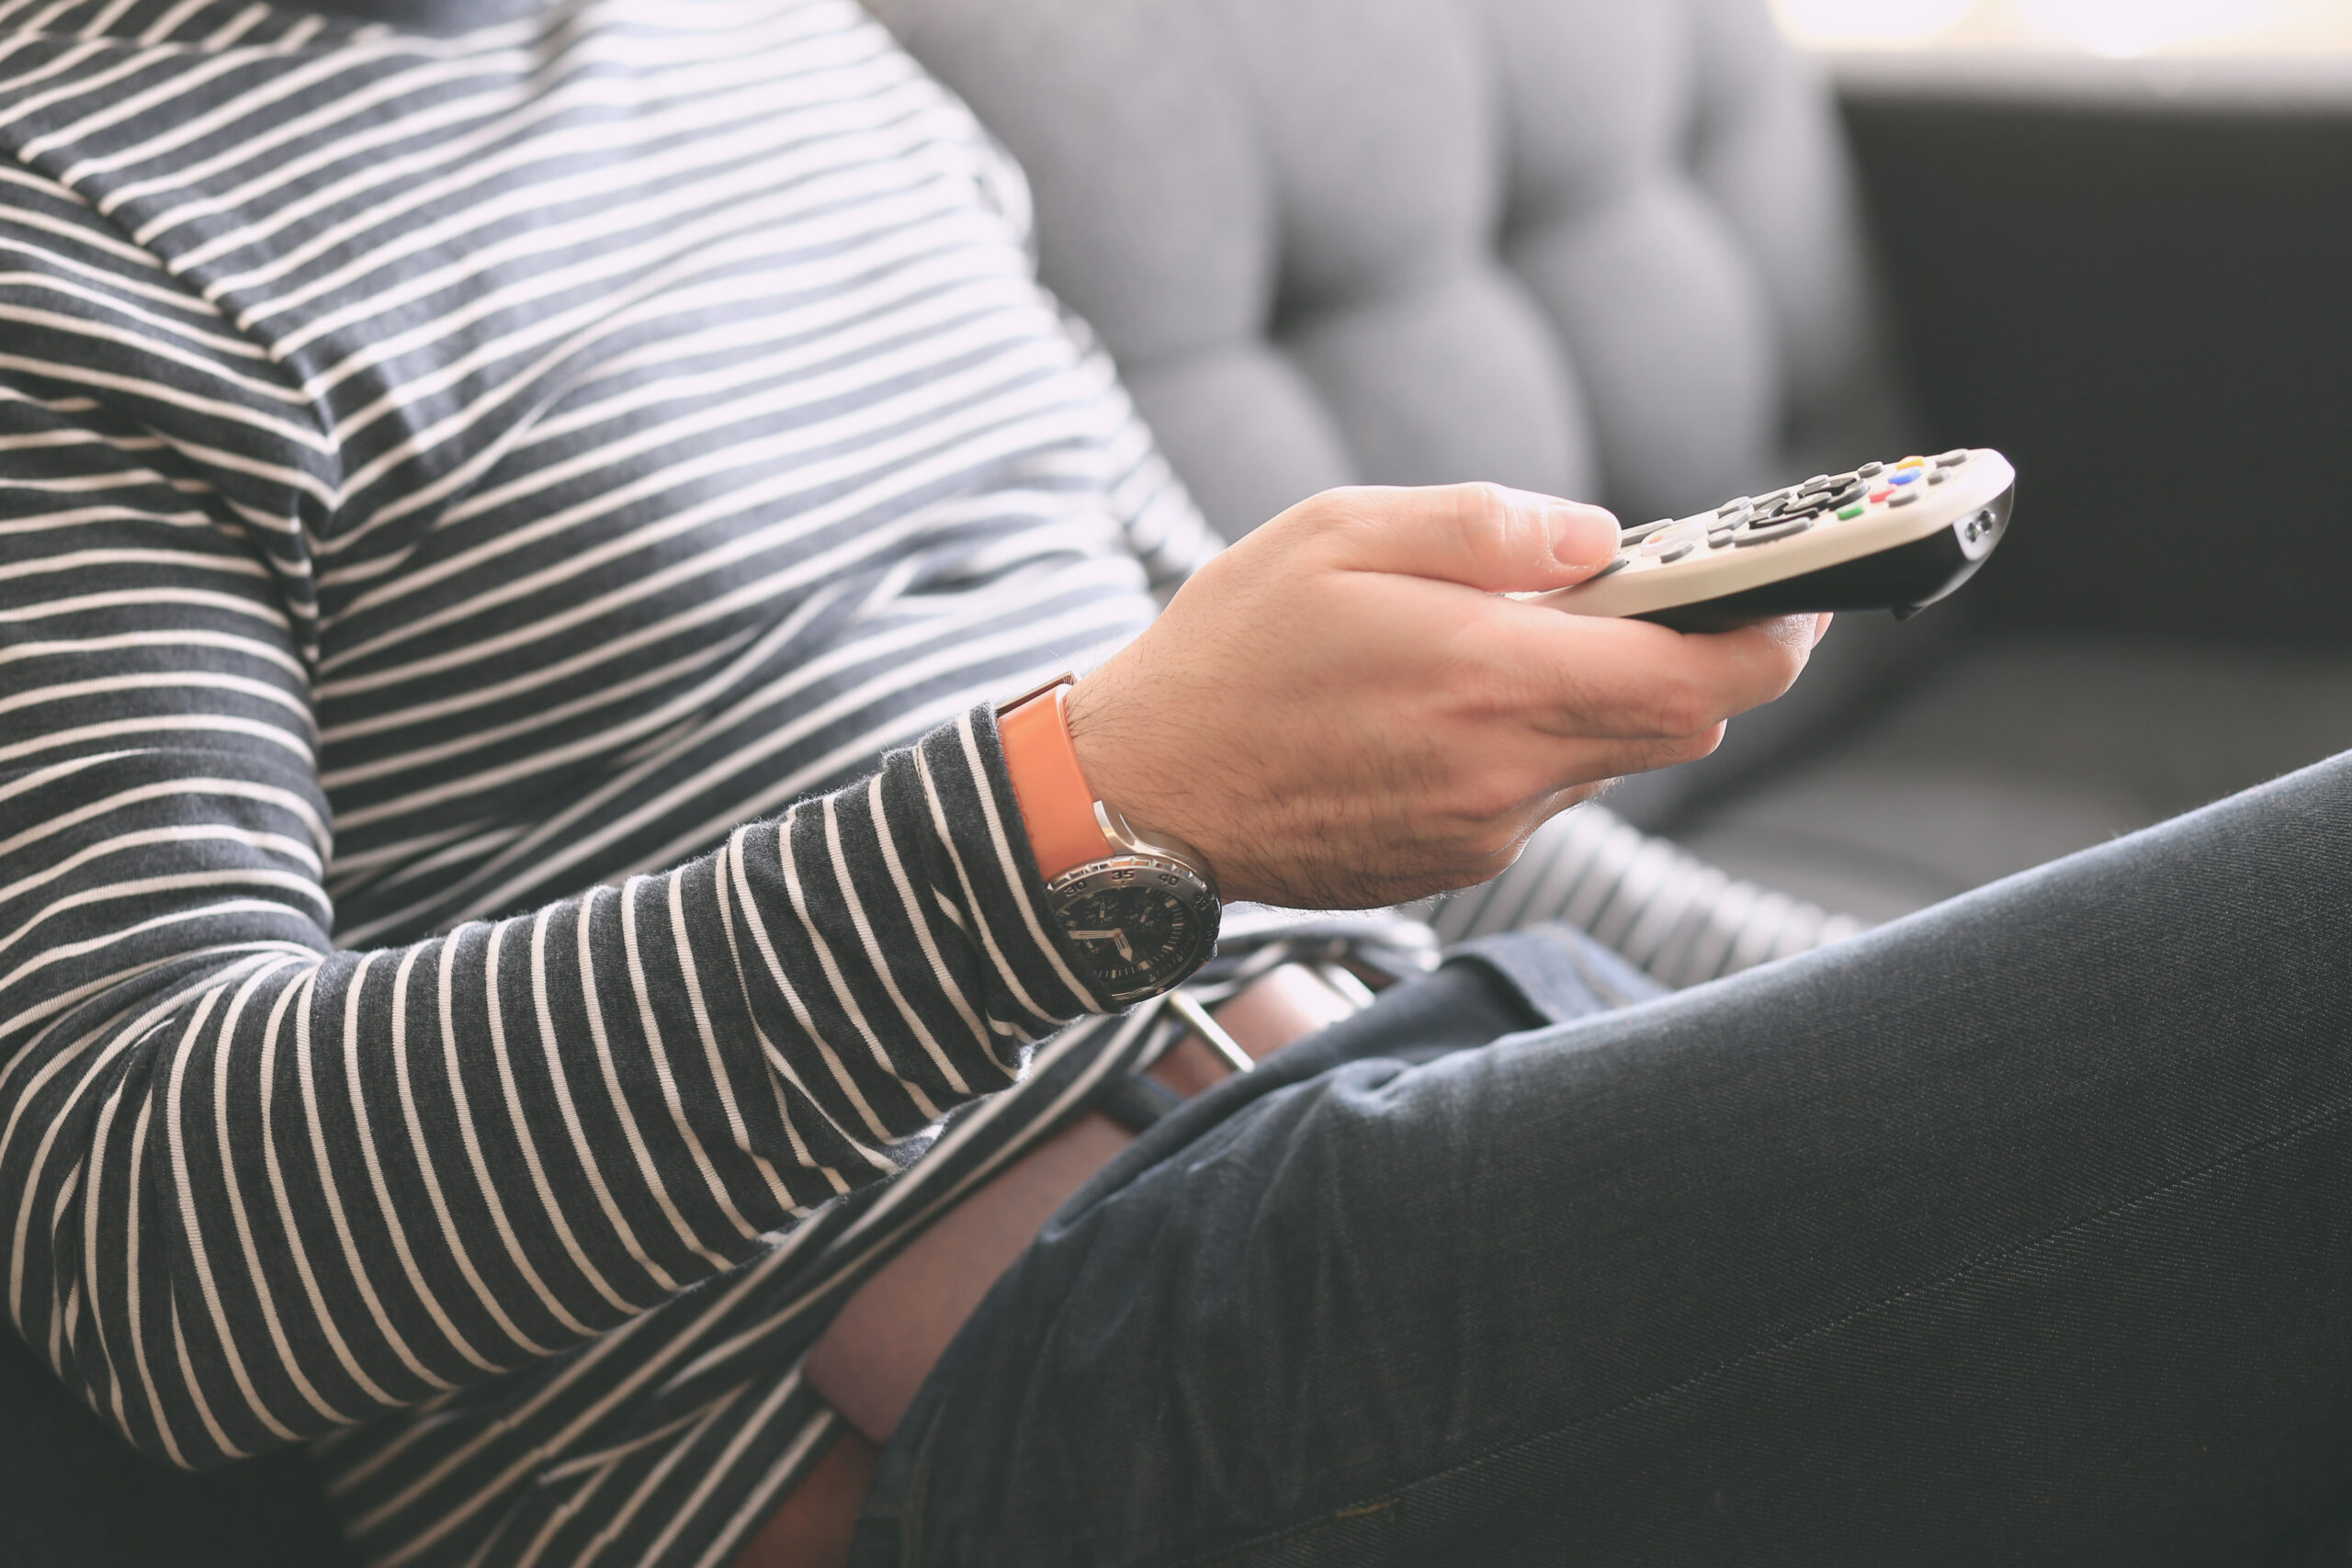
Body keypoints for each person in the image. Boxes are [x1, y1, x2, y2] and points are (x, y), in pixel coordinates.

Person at [5, 5, 2351, 1568]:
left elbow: (1285, 760)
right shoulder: (59, 226)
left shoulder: (777, 45)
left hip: (1449, 1089)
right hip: (1018, 1390)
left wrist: (1958, 1046)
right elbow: (150, 1240)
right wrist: (1080, 812)